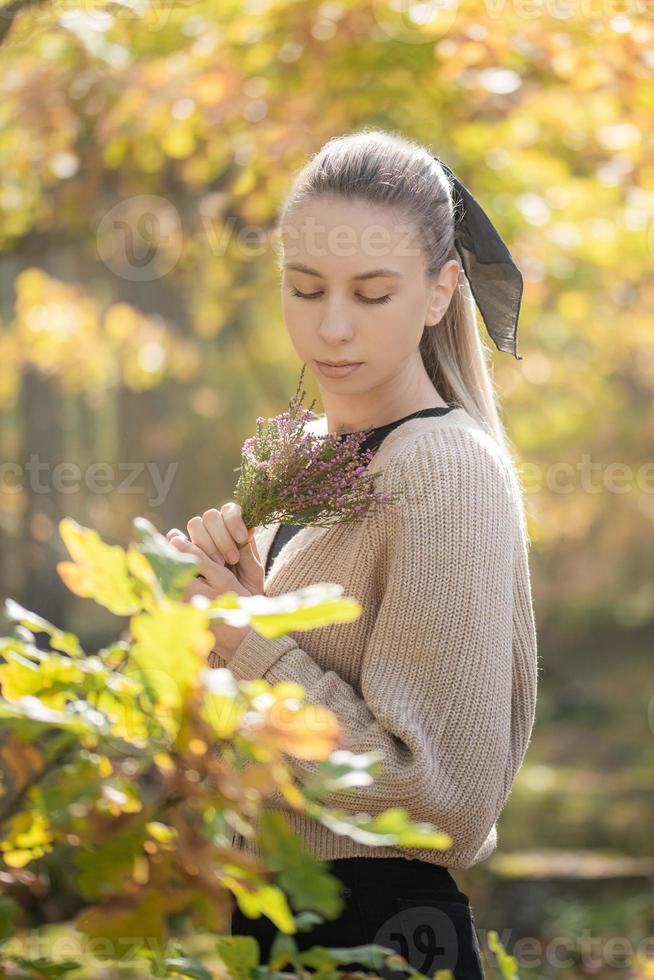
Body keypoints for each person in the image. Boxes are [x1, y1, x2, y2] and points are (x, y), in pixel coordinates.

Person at [166, 128, 539, 979]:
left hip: (380, 937)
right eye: (305, 289)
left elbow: (442, 793)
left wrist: (248, 641)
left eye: (372, 295)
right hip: (268, 919)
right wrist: (215, 604)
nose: (331, 328)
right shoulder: (301, 458)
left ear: (442, 290)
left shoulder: (444, 471)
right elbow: (260, 735)